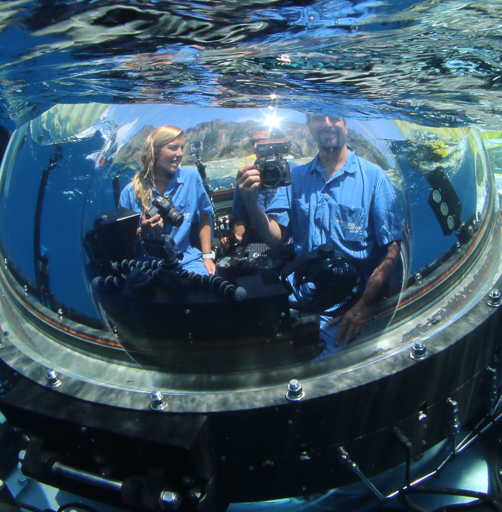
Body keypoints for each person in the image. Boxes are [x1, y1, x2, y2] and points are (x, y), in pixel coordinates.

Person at [237, 114, 403, 353]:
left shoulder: (375, 178)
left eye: (334, 117)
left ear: (346, 125)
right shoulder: (295, 178)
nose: (327, 123)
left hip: (348, 302)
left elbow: (391, 249)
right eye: (318, 118)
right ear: (309, 126)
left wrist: (363, 303)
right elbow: (277, 239)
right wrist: (251, 202)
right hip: (300, 295)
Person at [119, 125, 216, 276]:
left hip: (186, 261)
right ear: (155, 151)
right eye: (173, 148)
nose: (180, 153)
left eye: (182, 148)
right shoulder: (130, 192)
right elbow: (124, 245)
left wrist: (207, 256)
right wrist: (143, 232)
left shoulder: (191, 177)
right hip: (146, 266)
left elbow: (204, 218)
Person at [224, 127, 289, 251]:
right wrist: (237, 235)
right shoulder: (246, 177)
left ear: (276, 143)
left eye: (261, 142)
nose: (255, 146)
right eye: (252, 142)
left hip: (286, 246)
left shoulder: (294, 174)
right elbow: (240, 219)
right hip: (253, 245)